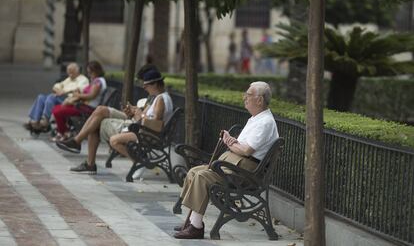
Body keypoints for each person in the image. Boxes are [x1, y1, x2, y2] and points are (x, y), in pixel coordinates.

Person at [173, 81, 278, 239]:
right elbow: (239, 146)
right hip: (235, 167)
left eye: (248, 95)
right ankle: (191, 220)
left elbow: (246, 150)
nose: (244, 98)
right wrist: (231, 141)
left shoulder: (265, 122)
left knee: (202, 177)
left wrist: (230, 142)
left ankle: (196, 227)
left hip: (245, 174)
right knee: (194, 171)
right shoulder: (256, 119)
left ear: (259, 100)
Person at [56, 67, 173, 175]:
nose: (144, 87)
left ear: (155, 84)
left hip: (141, 129)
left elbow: (154, 122)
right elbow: (146, 114)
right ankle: (79, 146)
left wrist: (139, 115)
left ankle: (84, 153)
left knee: (96, 123)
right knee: (99, 113)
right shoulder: (157, 97)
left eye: (146, 85)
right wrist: (134, 111)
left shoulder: (161, 99)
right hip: (137, 125)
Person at [24, 63, 89, 131]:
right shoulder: (69, 79)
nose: (70, 75)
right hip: (60, 96)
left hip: (70, 99)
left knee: (51, 97)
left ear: (77, 71)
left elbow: (79, 90)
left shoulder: (83, 79)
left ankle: (46, 119)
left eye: (71, 72)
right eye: (69, 72)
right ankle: (36, 121)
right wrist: (58, 90)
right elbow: (56, 86)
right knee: (41, 97)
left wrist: (64, 92)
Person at [51, 61, 106, 140]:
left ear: (96, 71)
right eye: (88, 72)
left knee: (57, 111)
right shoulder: (96, 80)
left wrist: (77, 95)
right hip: (83, 105)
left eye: (90, 72)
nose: (89, 75)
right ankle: (65, 132)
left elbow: (91, 96)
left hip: (87, 108)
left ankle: (64, 132)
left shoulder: (98, 82)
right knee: (56, 108)